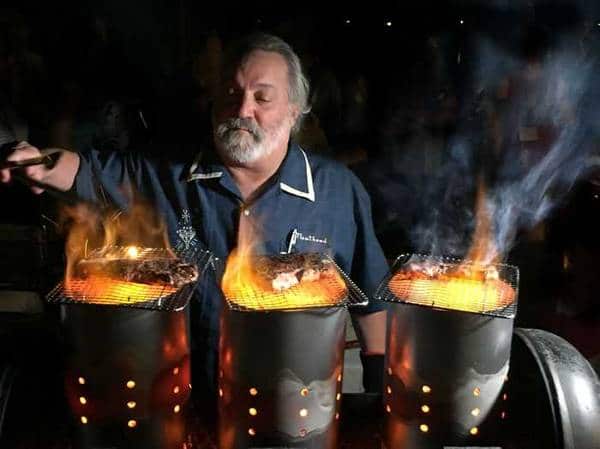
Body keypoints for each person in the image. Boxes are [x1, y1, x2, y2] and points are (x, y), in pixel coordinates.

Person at [1, 33, 387, 397]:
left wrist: (377, 389)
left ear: (295, 110)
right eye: (231, 94)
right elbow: (85, 170)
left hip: (293, 405)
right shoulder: (164, 173)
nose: (243, 110)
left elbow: (371, 301)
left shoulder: (336, 190)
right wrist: (41, 164)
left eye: (262, 98)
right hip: (183, 398)